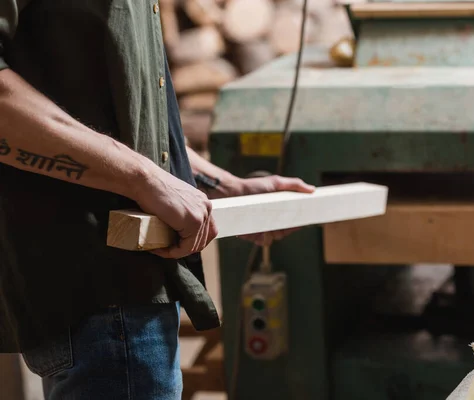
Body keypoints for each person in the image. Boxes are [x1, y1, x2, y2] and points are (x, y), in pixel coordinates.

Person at [0, 1, 314, 399]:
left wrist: (221, 184)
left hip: (133, 289)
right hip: (96, 284)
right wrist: (142, 178)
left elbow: (131, 120)